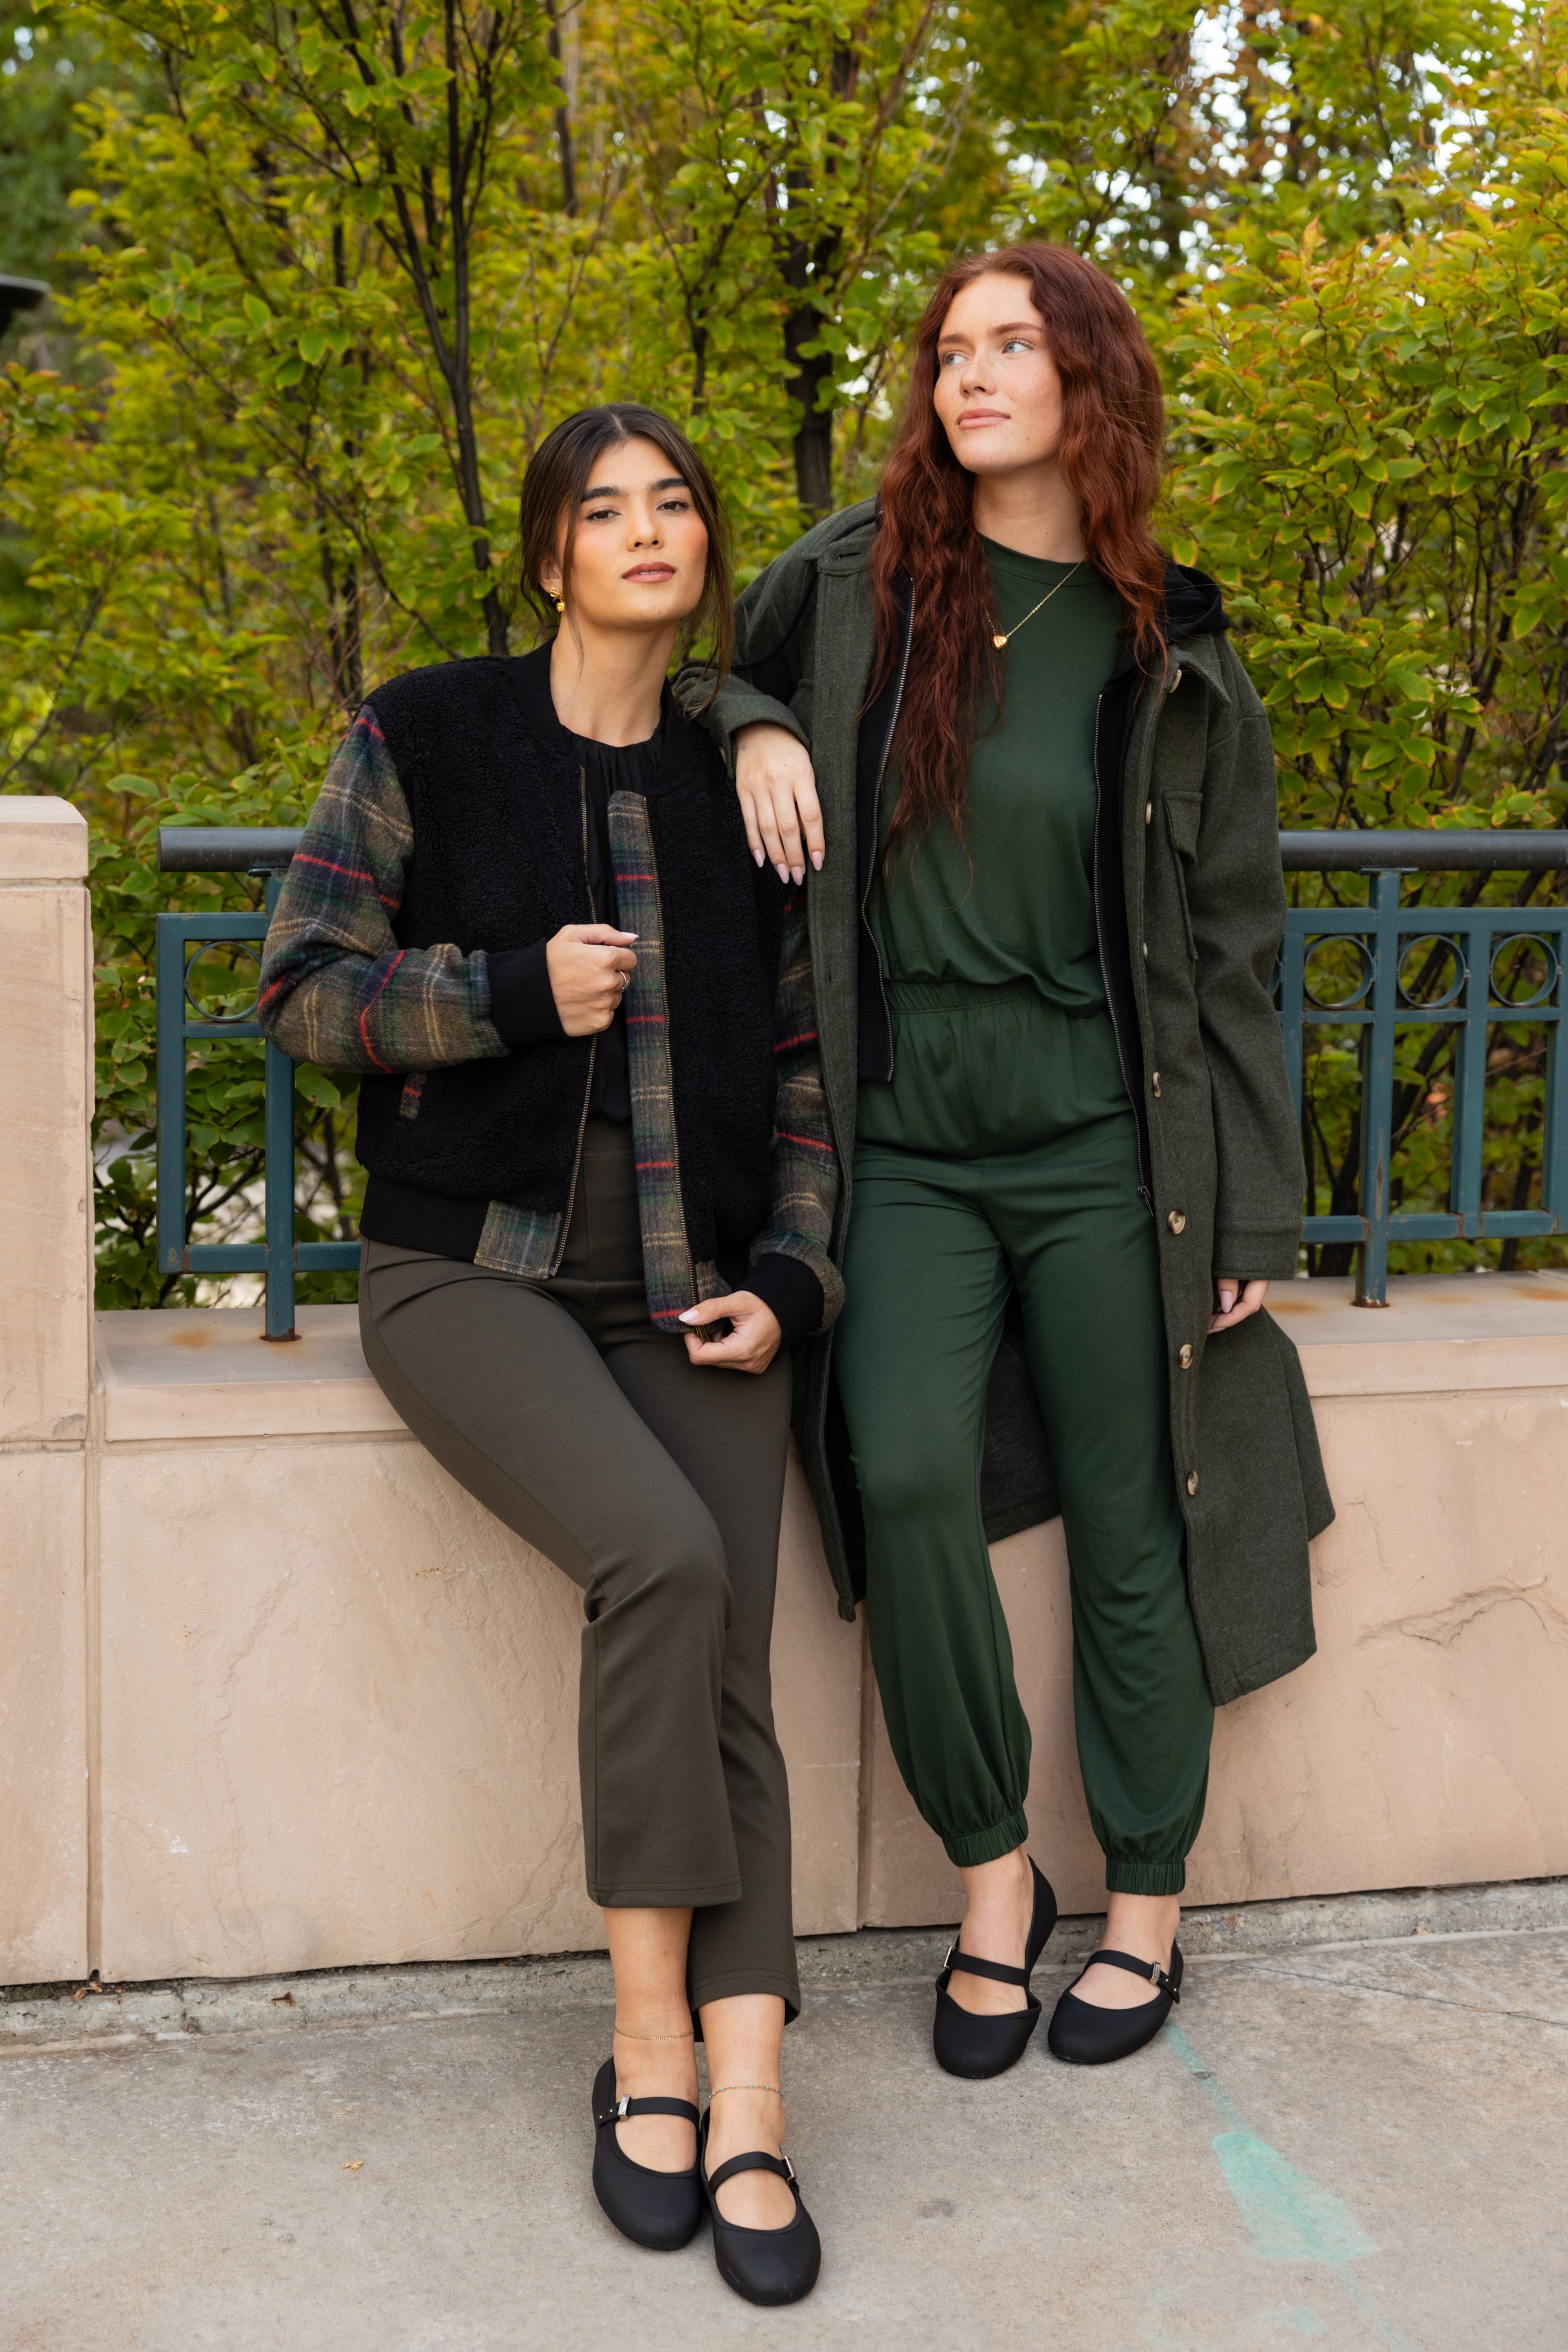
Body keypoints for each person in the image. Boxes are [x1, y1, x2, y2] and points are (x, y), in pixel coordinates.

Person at [678, 244, 1333, 2078]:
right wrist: (745, 739)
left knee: (1140, 1516)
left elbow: (1230, 944)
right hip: (905, 1145)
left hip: (1108, 1147)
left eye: (1007, 347)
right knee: (899, 1476)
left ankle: (1142, 1897)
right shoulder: (854, 576)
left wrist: (1253, 1203)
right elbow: (714, 688)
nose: (968, 375)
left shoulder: (1168, 646)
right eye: (949, 350)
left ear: (1083, 383)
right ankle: (992, 1875)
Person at [258, 404, 836, 2305]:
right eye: (609, 508)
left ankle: (750, 2092)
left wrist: (798, 1277)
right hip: (471, 1271)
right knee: (659, 1561)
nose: (649, 530)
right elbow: (302, 991)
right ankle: (647, 2041)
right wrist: (506, 992)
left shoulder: (746, 780)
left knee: (725, 1645)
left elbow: (811, 1082)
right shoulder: (427, 730)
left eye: (678, 504)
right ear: (548, 554)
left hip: (695, 1277)